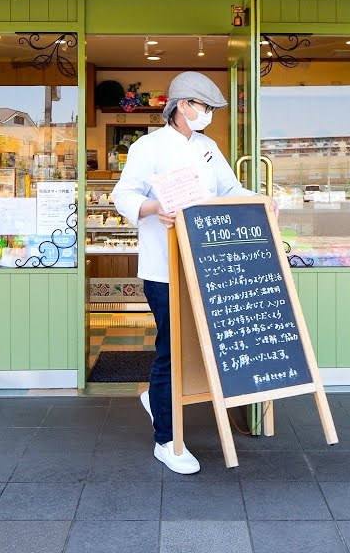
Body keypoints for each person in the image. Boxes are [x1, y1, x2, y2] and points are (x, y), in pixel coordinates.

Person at [111, 71, 268, 474]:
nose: (208, 114)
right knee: (172, 348)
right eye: (204, 107)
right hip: (165, 268)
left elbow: (229, 190)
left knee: (199, 344)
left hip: (207, 264)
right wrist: (154, 209)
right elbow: (123, 196)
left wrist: (260, 199)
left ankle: (156, 398)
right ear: (183, 106)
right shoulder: (148, 147)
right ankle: (167, 439)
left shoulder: (208, 146)